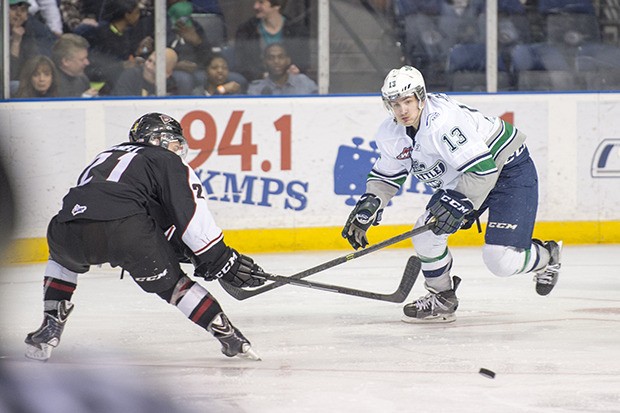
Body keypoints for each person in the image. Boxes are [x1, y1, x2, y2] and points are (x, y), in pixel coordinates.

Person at [24, 113, 267, 362]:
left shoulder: (105, 156)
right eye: (174, 141)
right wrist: (221, 260)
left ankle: (51, 324)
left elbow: (105, 203)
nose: (178, 149)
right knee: (174, 286)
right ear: (156, 139)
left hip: (67, 227)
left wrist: (174, 245)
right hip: (128, 233)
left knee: (61, 260)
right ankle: (231, 338)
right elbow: (193, 219)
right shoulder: (168, 161)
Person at [341, 65, 563, 323]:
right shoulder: (391, 133)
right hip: (465, 176)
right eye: (395, 103)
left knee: (500, 262)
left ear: (421, 98)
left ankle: (547, 256)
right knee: (426, 233)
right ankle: (442, 297)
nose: (402, 110)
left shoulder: (443, 123)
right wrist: (370, 204)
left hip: (507, 169)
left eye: (407, 101)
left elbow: (484, 170)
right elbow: (386, 176)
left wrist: (458, 203)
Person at [234, 0, 310, 82]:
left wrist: (296, 69)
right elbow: (241, 63)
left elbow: (304, 61)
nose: (255, 6)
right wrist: (261, 75)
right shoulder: (246, 30)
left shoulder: (297, 30)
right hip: (257, 84)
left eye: (261, 2)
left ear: (277, 5)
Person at [9, 0, 57, 81]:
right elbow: (9, 75)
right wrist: (15, 43)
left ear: (27, 16)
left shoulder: (34, 31)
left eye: (23, 10)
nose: (18, 14)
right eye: (13, 9)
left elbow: (35, 69)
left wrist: (16, 41)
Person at [247, 43, 317, 95]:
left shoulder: (304, 83)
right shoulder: (256, 90)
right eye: (271, 58)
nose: (276, 61)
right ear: (264, 62)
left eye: (281, 57)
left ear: (288, 60)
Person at [111, 48, 179, 96]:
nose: (148, 66)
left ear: (168, 73)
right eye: (149, 60)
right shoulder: (131, 76)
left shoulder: (170, 86)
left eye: (155, 64)